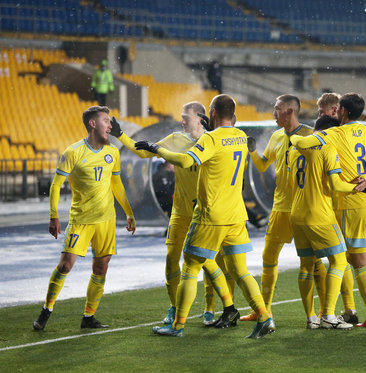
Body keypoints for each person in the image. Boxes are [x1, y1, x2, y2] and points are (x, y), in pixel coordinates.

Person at [136, 94, 275, 338]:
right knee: (241, 271)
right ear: (233, 115)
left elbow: (185, 159)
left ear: (210, 112)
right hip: (236, 215)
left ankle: (176, 326)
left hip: (211, 214)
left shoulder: (211, 138)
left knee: (190, 266)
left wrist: (157, 149)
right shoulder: (240, 137)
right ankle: (264, 317)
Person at [110, 102, 234, 328]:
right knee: (171, 261)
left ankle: (210, 309)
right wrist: (121, 135)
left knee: (209, 262)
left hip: (204, 213)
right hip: (180, 212)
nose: (182, 121)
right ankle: (175, 307)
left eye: (186, 117)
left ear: (200, 118)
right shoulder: (176, 140)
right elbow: (143, 151)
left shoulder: (213, 140)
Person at [291, 92, 366, 328]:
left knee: (353, 260)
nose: (323, 115)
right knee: (359, 257)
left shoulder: (332, 134)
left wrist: (305, 137)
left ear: (341, 111)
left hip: (348, 203)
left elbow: (300, 143)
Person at [32, 106, 136, 331]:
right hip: (81, 220)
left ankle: (88, 317)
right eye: (106, 121)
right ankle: (47, 309)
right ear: (92, 124)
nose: (111, 125)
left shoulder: (113, 153)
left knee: (101, 269)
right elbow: (56, 185)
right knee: (65, 266)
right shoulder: (73, 152)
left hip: (106, 220)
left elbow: (116, 184)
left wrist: (128, 212)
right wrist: (53, 216)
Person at [288, 115, 366, 329]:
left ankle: (311, 318)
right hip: (319, 214)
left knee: (306, 266)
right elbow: (334, 184)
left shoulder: (294, 150)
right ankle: (329, 316)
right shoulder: (327, 148)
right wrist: (356, 186)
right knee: (339, 261)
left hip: (297, 213)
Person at [241, 94, 318, 321]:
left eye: (277, 109)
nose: (273, 114)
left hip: (305, 208)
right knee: (269, 257)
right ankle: (263, 309)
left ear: (290, 111)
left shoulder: (310, 135)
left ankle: (319, 313)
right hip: (280, 207)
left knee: (312, 263)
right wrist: (253, 151)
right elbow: (264, 165)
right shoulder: (276, 136)